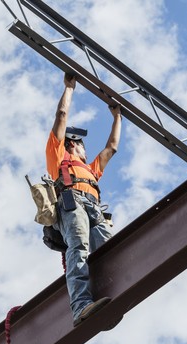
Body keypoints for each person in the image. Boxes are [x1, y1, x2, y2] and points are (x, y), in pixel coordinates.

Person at [46, 73, 122, 328]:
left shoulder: (90, 169)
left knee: (111, 249)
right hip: (72, 202)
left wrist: (117, 117)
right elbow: (61, 117)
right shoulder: (57, 156)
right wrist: (69, 88)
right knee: (78, 247)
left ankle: (118, 290)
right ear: (73, 144)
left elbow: (111, 147)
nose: (85, 148)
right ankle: (81, 307)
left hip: (93, 208)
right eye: (81, 144)